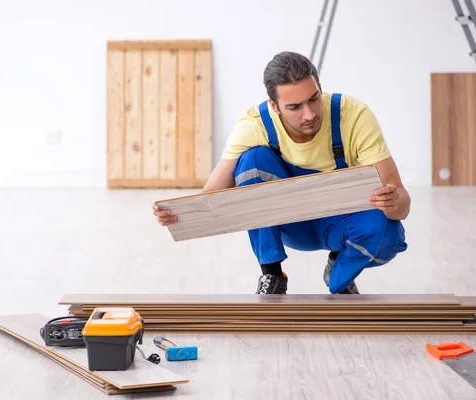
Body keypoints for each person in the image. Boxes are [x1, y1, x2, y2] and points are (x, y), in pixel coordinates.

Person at [152, 51, 409, 295]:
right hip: (289, 221)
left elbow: (402, 204)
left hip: (340, 222)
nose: (309, 114)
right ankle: (272, 274)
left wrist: (393, 202)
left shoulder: (353, 116)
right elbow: (212, 198)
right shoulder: (255, 124)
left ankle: (340, 271)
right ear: (274, 106)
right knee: (253, 159)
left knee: (388, 232)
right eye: (295, 107)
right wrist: (178, 216)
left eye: (314, 99)